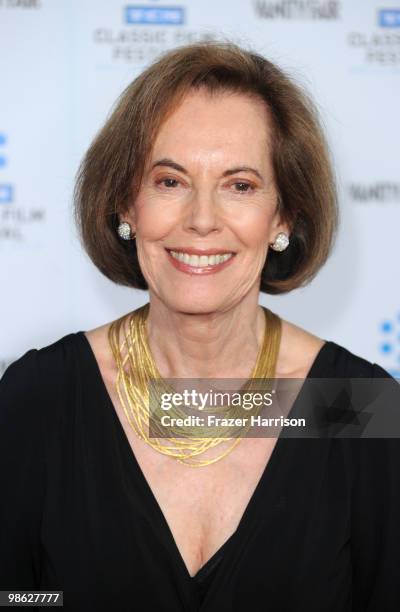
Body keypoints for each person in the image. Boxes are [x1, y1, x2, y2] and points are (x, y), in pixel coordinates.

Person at [0, 41, 399, 612]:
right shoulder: (40, 399)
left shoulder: (358, 407)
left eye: (240, 185)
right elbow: (17, 597)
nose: (202, 220)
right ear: (125, 207)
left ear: (283, 215)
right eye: (169, 181)